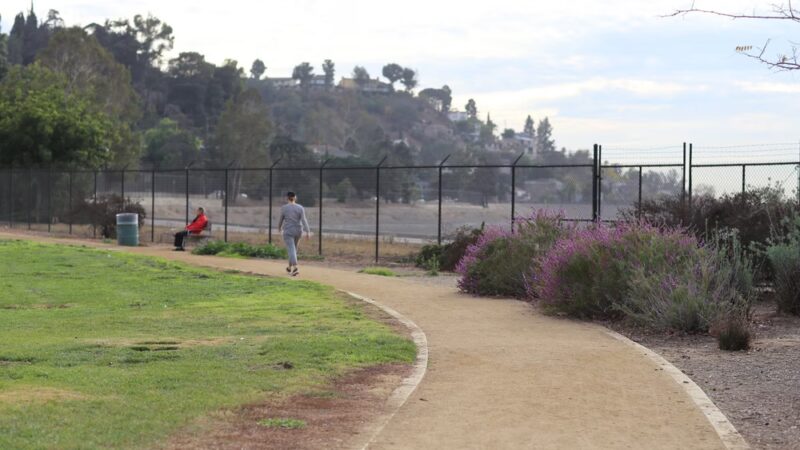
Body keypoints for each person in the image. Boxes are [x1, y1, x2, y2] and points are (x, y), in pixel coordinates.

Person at [278, 192, 310, 276]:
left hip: (288, 231)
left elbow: (281, 219)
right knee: (293, 249)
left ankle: (295, 267)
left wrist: (279, 228)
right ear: (295, 198)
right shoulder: (300, 207)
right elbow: (304, 220)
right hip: (298, 231)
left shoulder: (284, 208)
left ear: (287, 198)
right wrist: (308, 231)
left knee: (291, 249)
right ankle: (289, 267)